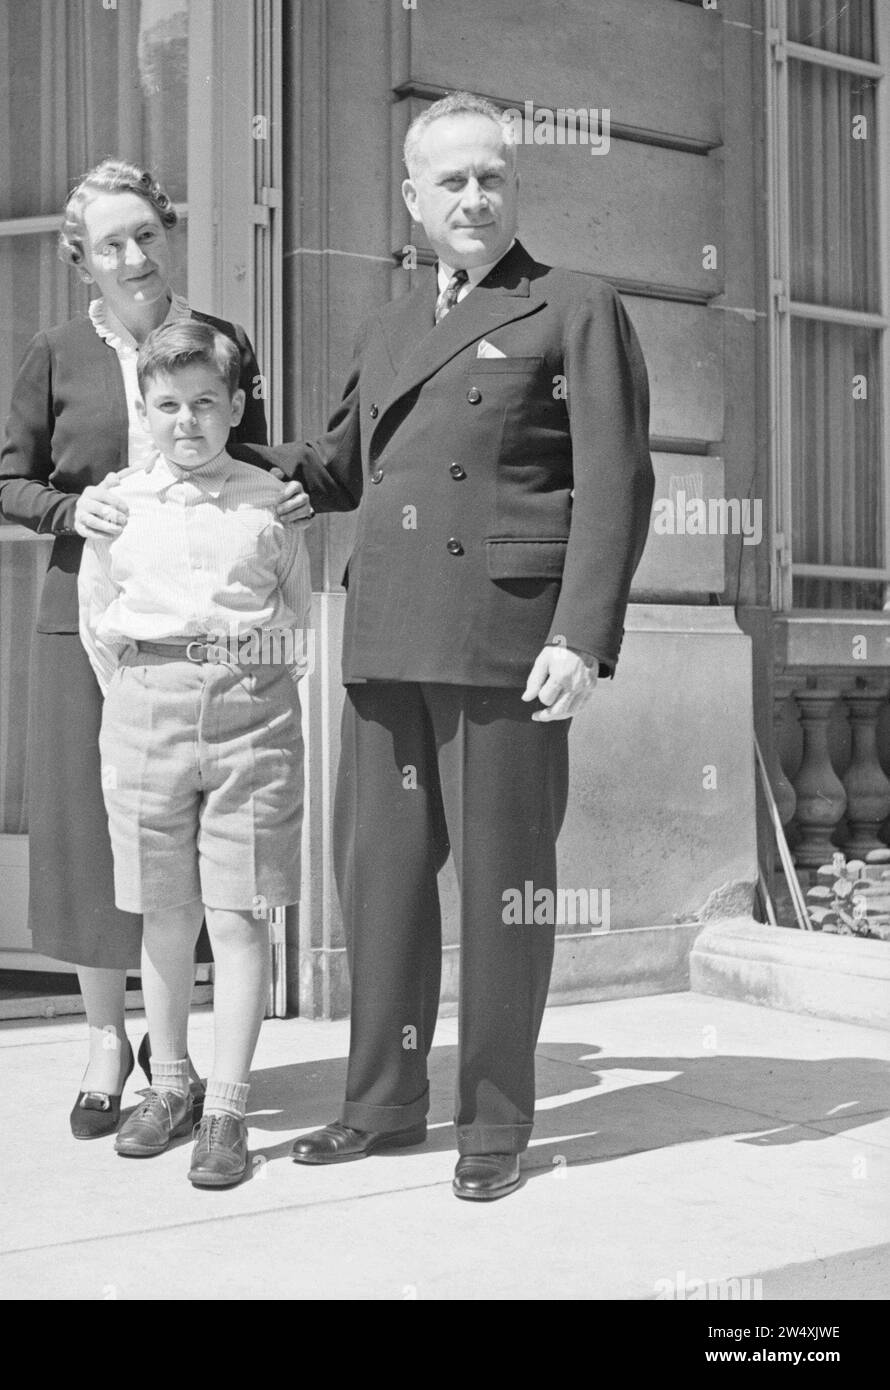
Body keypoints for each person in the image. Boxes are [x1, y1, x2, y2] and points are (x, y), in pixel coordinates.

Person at [231, 93, 655, 1200]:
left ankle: (497, 1125)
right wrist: (207, 435)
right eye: (450, 182)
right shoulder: (385, 323)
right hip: (385, 634)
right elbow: (339, 468)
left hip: (506, 639)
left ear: (513, 187)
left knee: (504, 889)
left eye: (492, 177)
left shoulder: (574, 306)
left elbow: (615, 482)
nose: (474, 198)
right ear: (412, 201)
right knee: (376, 881)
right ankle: (380, 1107)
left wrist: (582, 633)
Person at [0, 159, 312, 1139]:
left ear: (166, 232)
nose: (132, 256)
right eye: (109, 242)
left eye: (146, 233)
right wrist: (66, 505)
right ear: (80, 258)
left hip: (211, 636)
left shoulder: (218, 344)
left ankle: (191, 1070)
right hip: (89, 617)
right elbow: (7, 482)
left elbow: (255, 460)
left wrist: (300, 484)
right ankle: (105, 1038)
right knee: (98, 837)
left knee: (203, 857)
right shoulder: (54, 352)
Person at [78, 320, 310, 1187]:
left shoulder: (271, 501)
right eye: (168, 405)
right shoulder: (117, 503)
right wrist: (145, 696)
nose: (187, 422)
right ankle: (169, 1084)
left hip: (252, 711)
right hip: (145, 708)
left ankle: (228, 1110)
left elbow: (293, 614)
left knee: (240, 912)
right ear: (146, 410)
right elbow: (102, 621)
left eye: (205, 403)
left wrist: (247, 683)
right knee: (164, 910)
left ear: (236, 407)